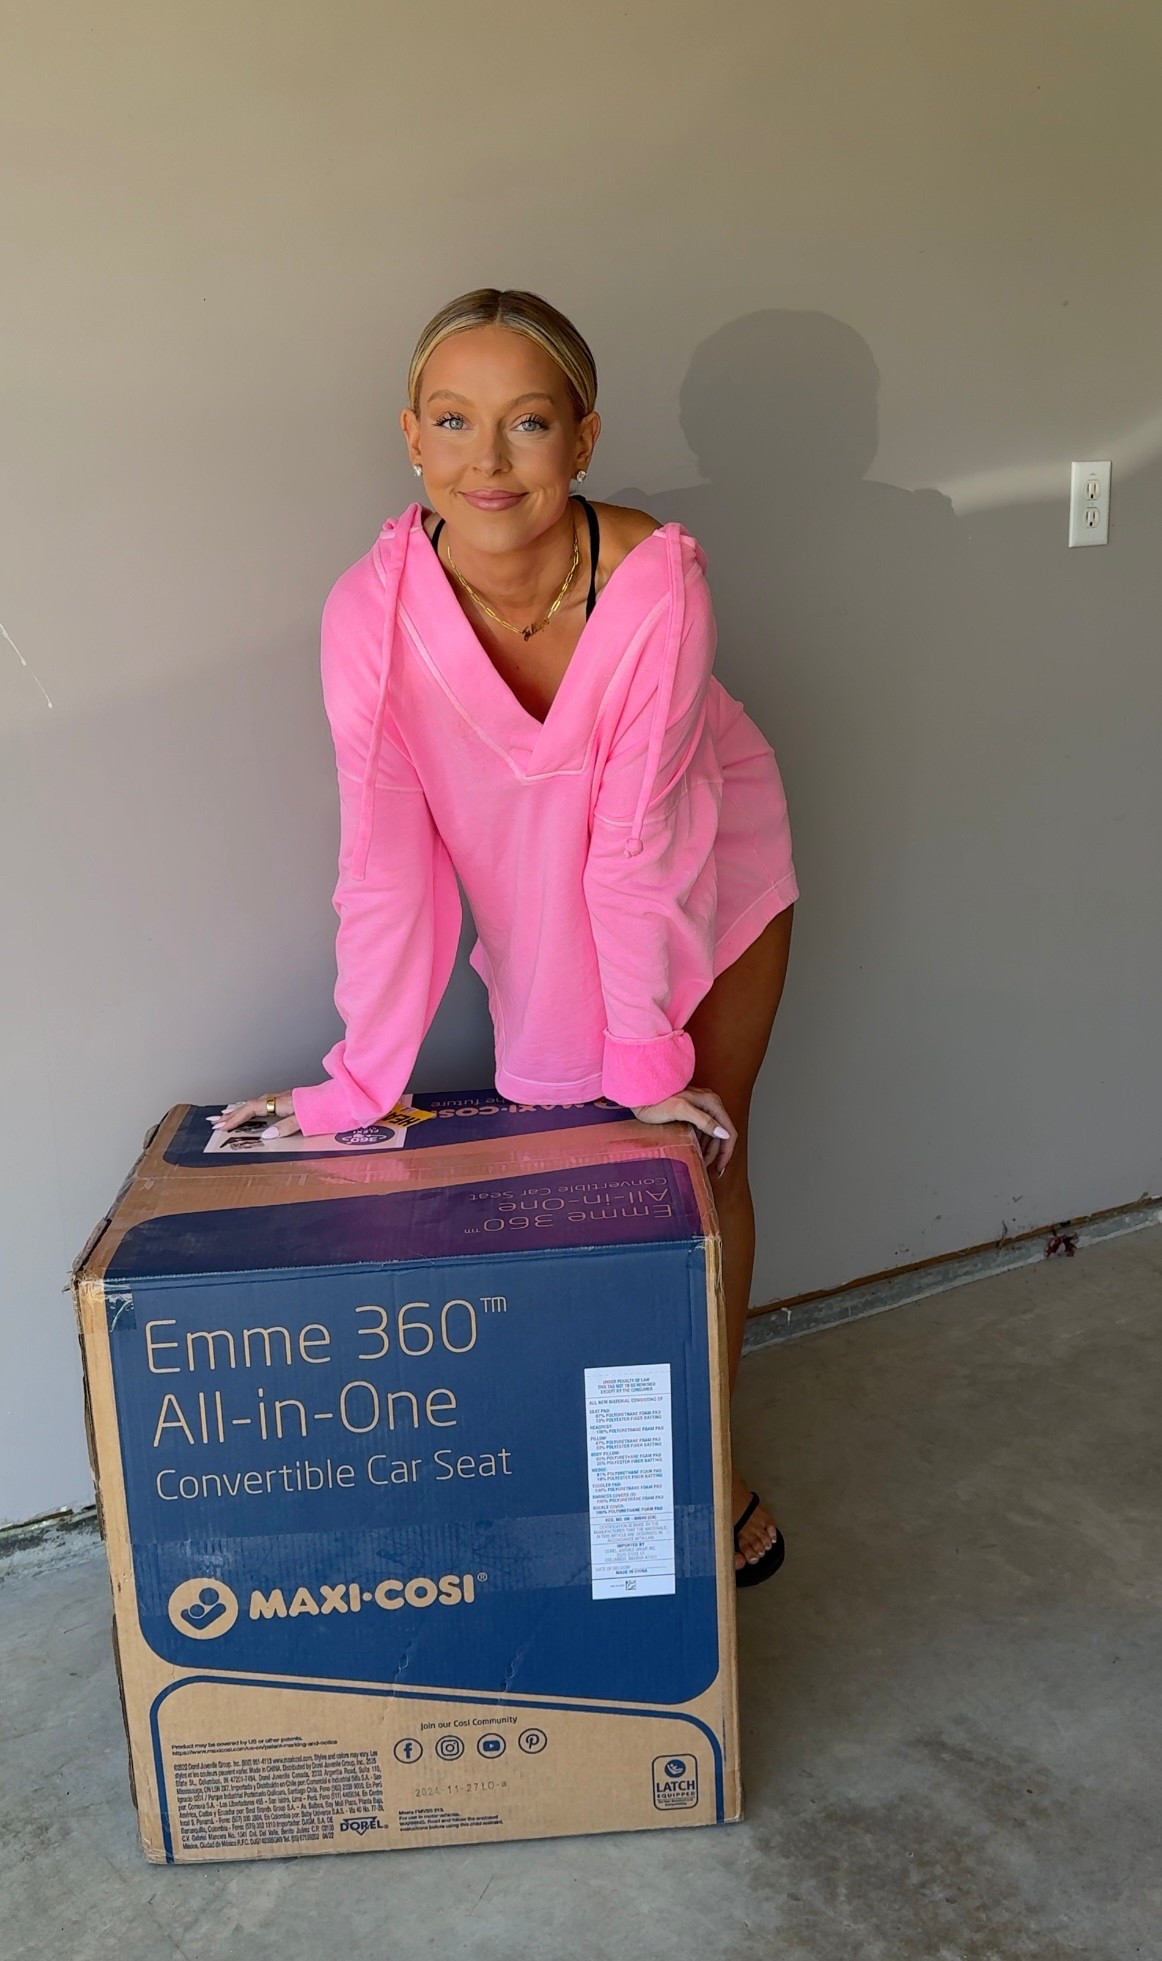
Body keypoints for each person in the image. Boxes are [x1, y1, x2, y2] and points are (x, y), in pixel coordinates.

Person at [211, 287, 798, 1583]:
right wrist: (364, 1071)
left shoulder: (656, 581)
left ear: (583, 439)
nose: (488, 461)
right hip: (545, 904)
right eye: (453, 421)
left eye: (527, 423)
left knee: (702, 1165)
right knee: (582, 1183)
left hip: (709, 868)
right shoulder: (368, 618)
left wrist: (642, 1052)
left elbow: (641, 842)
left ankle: (707, 1456)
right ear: (409, 437)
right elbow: (382, 859)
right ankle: (595, 1457)